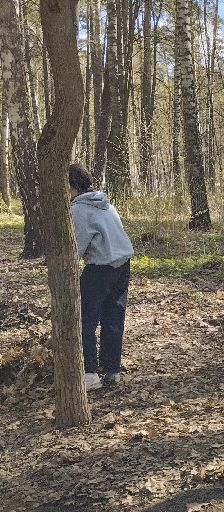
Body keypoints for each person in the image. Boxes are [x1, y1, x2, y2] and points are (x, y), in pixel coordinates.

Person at [68, 163, 134, 391]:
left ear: (72, 185)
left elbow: (74, 247)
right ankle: (112, 371)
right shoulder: (106, 204)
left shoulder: (78, 210)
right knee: (114, 318)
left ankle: (89, 374)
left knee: (86, 320)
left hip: (100, 268)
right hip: (123, 265)